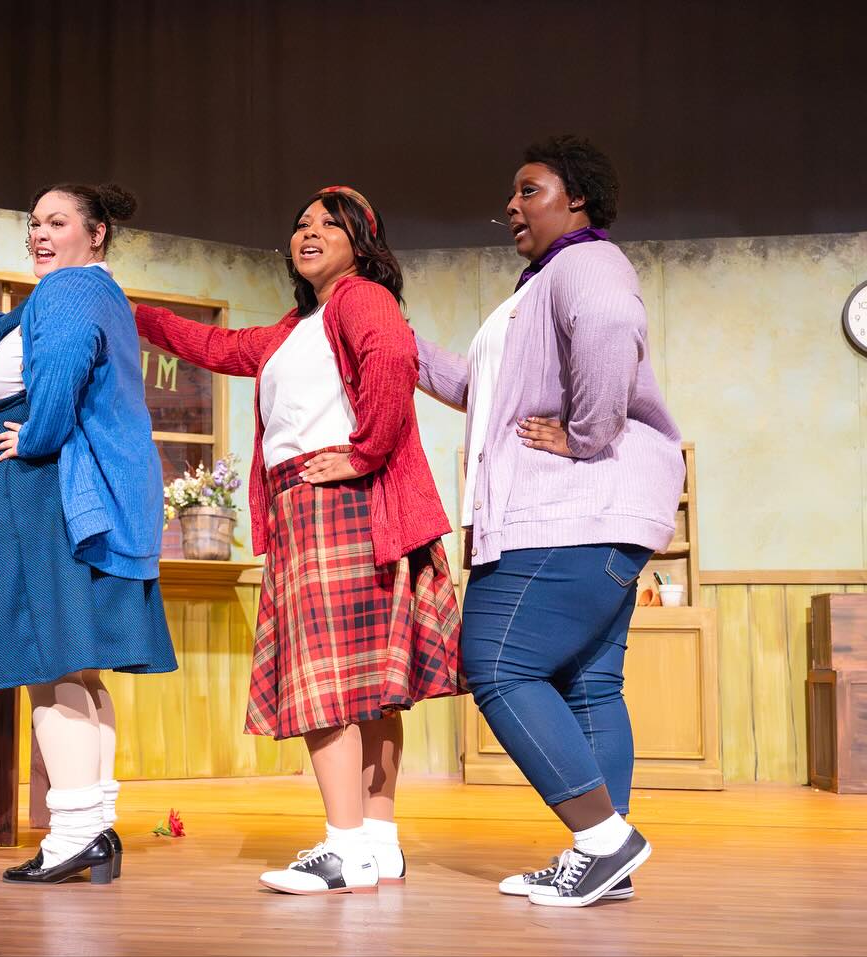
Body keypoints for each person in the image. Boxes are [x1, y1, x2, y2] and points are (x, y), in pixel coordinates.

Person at [134, 187, 462, 896]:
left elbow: (392, 360)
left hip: (334, 502)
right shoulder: (297, 327)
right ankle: (377, 843)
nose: (309, 232)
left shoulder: (361, 298)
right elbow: (216, 346)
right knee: (367, 689)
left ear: (361, 241)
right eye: (301, 224)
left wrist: (364, 453)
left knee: (328, 682)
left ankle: (345, 848)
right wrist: (131, 313)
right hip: (312, 504)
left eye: (329, 223)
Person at [414, 135, 684, 907]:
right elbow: (485, 390)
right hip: (601, 515)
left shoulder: (585, 263)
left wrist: (586, 433)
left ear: (578, 200)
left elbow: (611, 324)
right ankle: (605, 859)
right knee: (590, 684)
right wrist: (404, 348)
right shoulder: (539, 287)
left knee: (496, 662)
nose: (511, 205)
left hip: (566, 512)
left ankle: (603, 839)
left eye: (529, 190)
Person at [0, 182, 177, 886]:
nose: (39, 234)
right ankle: (95, 828)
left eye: (57, 222)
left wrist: (35, 436)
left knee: (48, 661)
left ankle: (74, 833)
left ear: (96, 233)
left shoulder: (69, 290)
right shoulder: (85, 294)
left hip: (35, 488)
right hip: (65, 489)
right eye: (34, 223)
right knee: (78, 667)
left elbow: (60, 371)